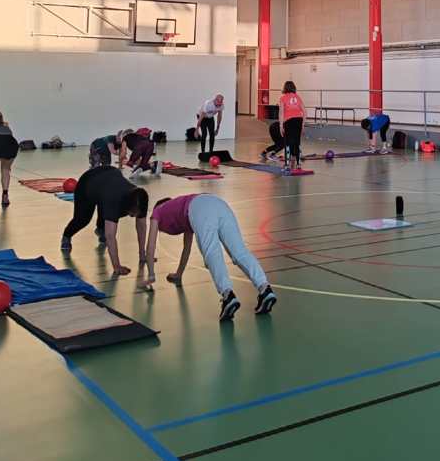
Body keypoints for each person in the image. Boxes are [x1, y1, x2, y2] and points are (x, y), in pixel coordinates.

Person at [139, 193, 277, 321]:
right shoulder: (182, 211)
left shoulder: (157, 212)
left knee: (212, 252)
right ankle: (265, 288)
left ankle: (227, 295)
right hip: (218, 203)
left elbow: (150, 247)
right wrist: (178, 274)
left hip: (200, 208)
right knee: (240, 251)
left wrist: (151, 275)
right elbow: (186, 249)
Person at [60, 164, 149, 275]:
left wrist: (142, 254)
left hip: (108, 181)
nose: (134, 216)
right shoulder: (114, 200)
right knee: (82, 219)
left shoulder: (140, 199)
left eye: (137, 213)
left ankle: (100, 229)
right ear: (127, 206)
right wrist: (117, 266)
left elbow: (141, 227)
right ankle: (66, 236)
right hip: (88, 183)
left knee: (106, 211)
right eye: (133, 213)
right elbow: (110, 236)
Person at [278, 81, 305, 170]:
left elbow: (281, 113)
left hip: (289, 121)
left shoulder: (283, 98)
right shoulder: (297, 97)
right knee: (297, 142)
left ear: (285, 88)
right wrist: (303, 125)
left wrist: (281, 126)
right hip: (298, 120)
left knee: (287, 143)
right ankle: (298, 164)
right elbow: (305, 112)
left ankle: (287, 164)